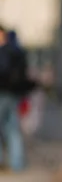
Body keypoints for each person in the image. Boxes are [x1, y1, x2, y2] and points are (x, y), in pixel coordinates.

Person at [0, 25, 34, 171]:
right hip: (14, 94)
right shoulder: (17, 50)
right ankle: (17, 163)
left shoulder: (4, 52)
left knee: (8, 127)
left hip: (3, 93)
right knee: (13, 128)